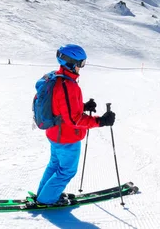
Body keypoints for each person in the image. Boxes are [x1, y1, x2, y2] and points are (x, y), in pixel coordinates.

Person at [35, 44, 116, 205]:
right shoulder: (68, 85)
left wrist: (83, 106)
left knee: (55, 165)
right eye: (81, 63)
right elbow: (74, 120)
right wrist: (101, 121)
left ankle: (44, 194)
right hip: (67, 137)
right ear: (71, 63)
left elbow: (60, 106)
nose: (81, 67)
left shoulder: (57, 78)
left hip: (55, 134)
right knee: (66, 171)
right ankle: (47, 199)